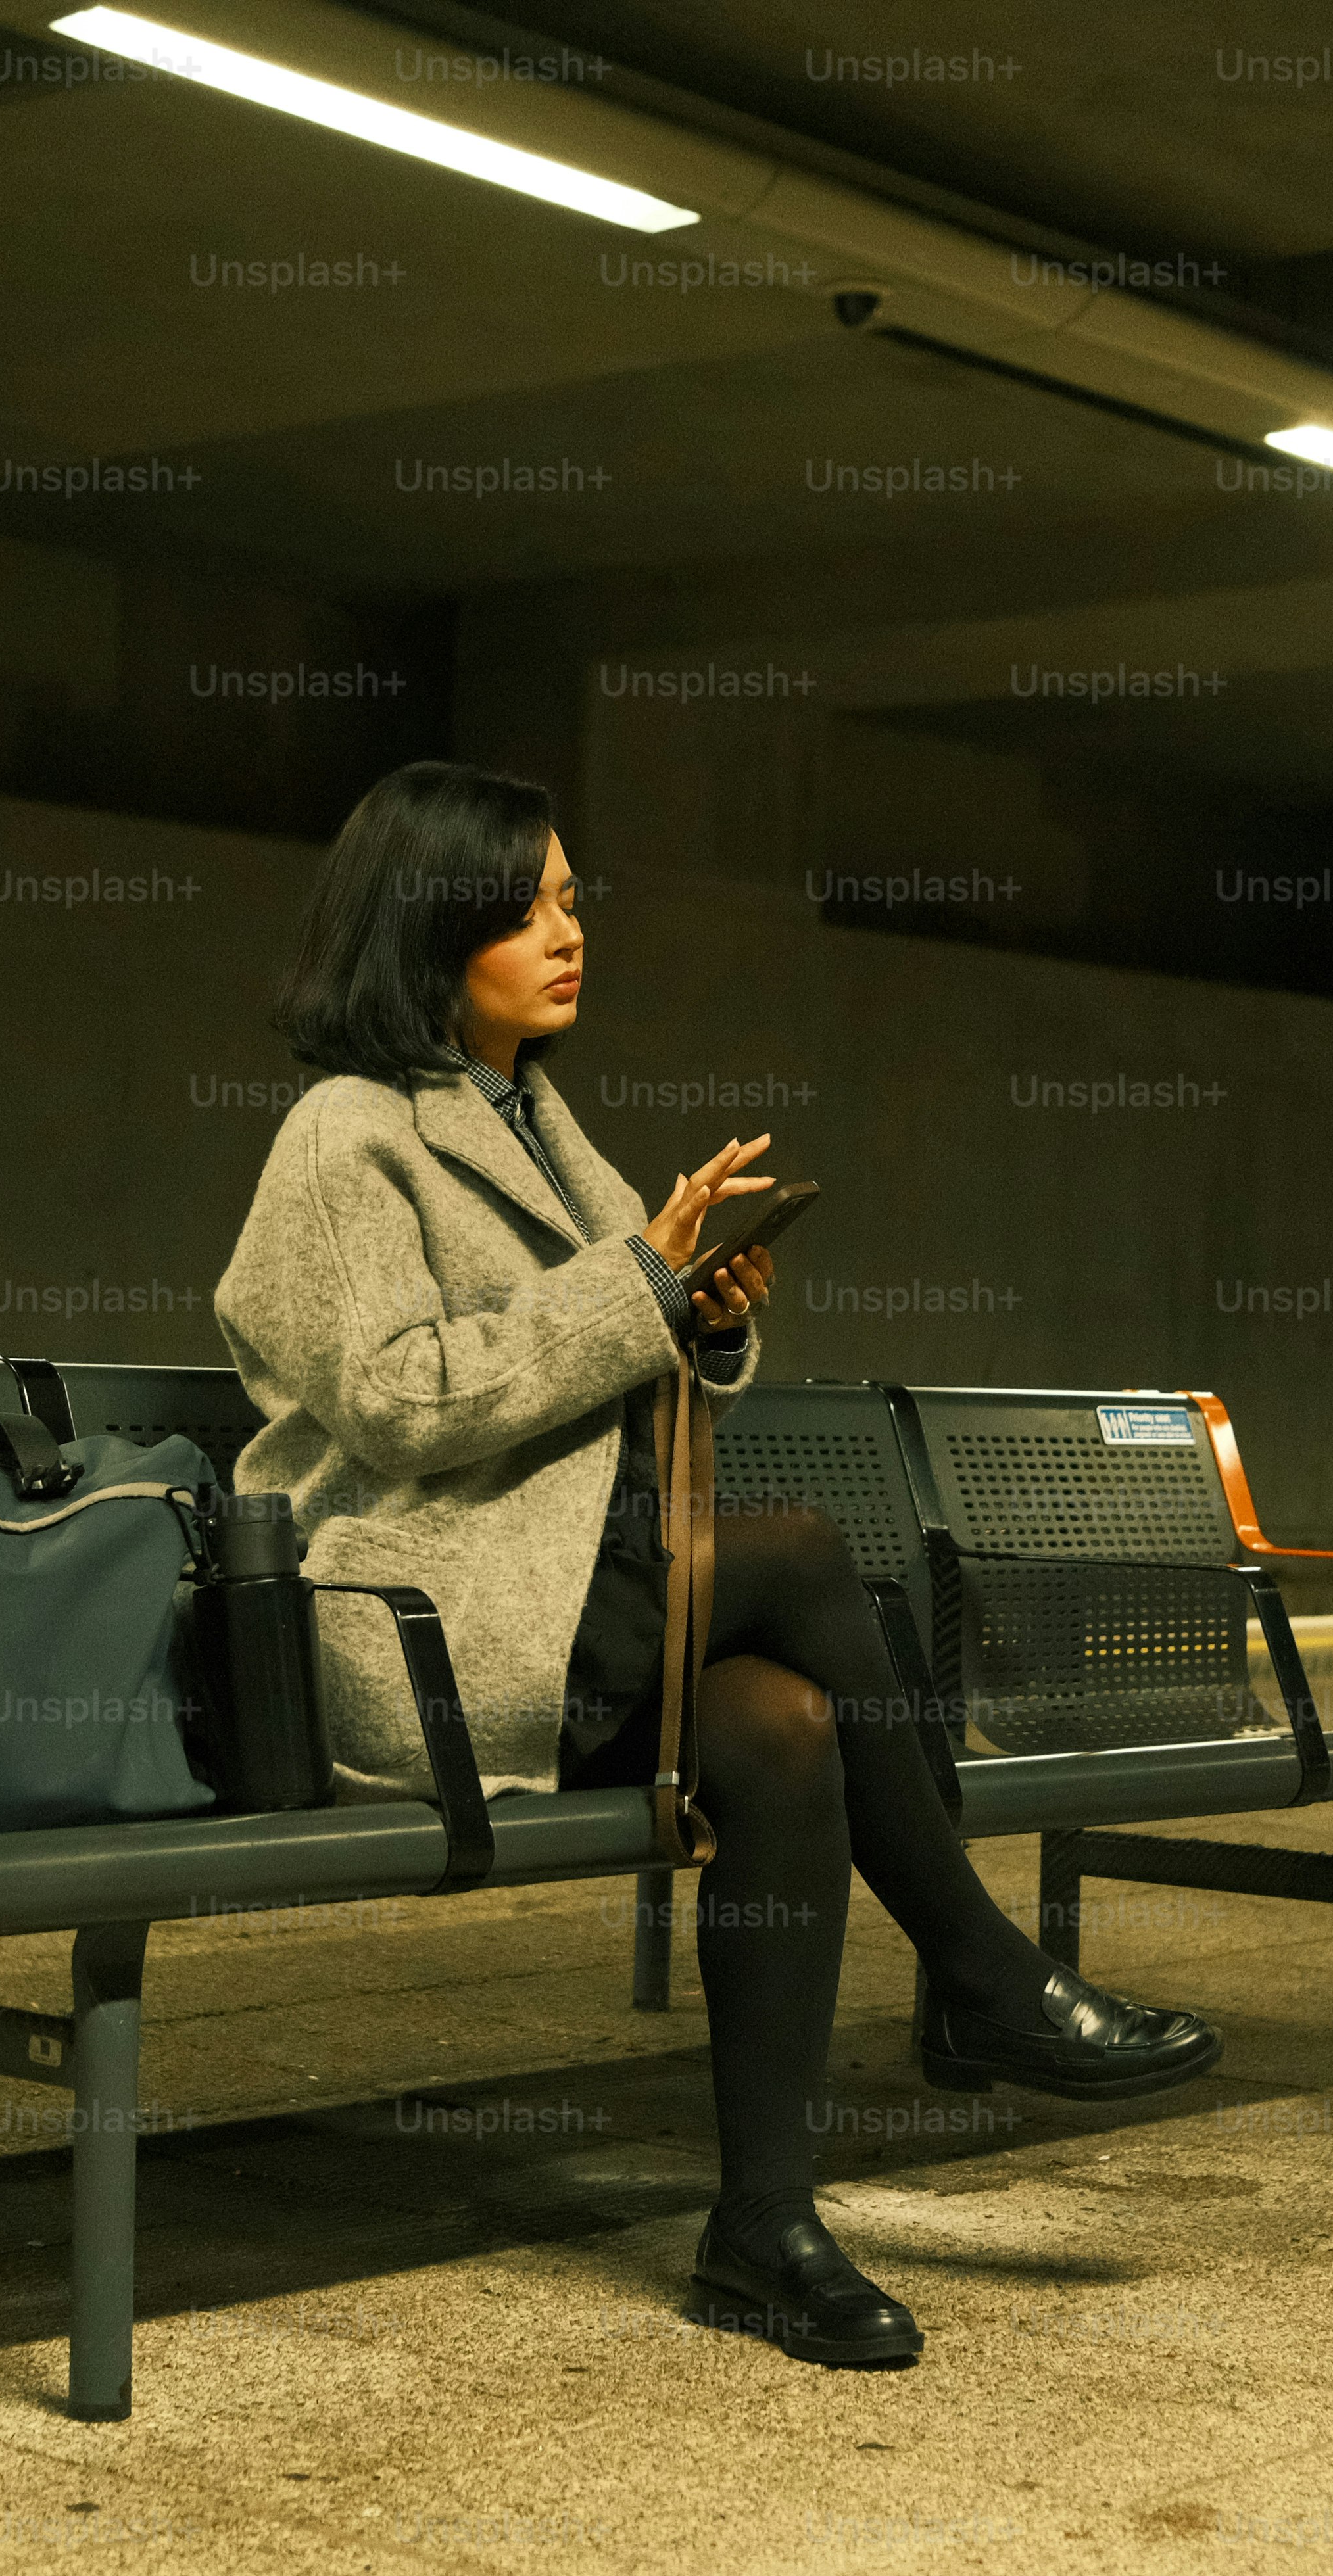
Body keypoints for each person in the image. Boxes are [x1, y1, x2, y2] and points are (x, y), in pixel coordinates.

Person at [212, 759, 1219, 2369]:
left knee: (784, 1728)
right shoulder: (348, 1138)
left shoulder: (534, 1116)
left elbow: (619, 1339)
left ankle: (766, 2227)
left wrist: (701, 1312)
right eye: (529, 904)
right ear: (429, 922)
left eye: (570, 900)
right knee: (814, 1553)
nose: (567, 931)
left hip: (565, 1594)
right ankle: (978, 1966)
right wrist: (640, 1291)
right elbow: (402, 1402)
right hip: (425, 1615)